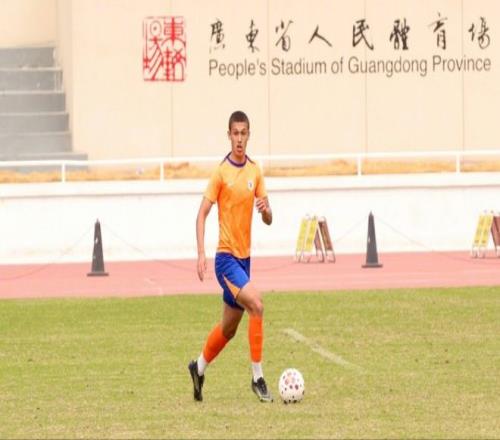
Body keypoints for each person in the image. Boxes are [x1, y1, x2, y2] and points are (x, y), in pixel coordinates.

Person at [188, 110, 273, 403]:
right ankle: (258, 378)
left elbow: (268, 218)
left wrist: (266, 210)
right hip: (225, 260)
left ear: (249, 135)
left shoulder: (255, 171)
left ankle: (198, 367)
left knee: (229, 328)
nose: (239, 138)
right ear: (229, 135)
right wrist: (201, 253)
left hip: (245, 261)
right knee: (257, 305)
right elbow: (201, 214)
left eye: (243, 133)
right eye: (235, 133)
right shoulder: (221, 172)